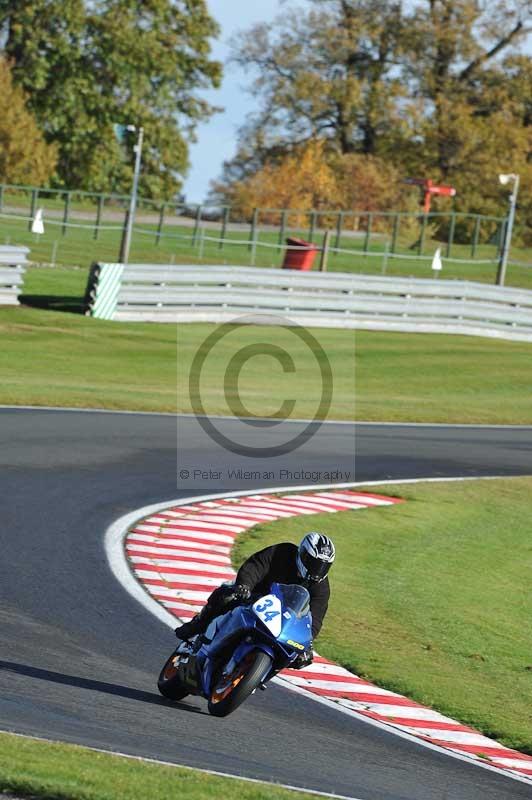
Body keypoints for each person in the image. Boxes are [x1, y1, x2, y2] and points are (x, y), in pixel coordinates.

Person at [174, 532, 335, 669]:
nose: (317, 571)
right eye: (314, 563)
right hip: (254, 596)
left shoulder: (321, 588)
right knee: (226, 596)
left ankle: (257, 673)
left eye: (323, 566)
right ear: (303, 554)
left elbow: (315, 619)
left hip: (282, 621)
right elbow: (256, 565)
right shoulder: (282, 552)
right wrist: (244, 585)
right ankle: (198, 625)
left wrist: (307, 642)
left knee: (299, 657)